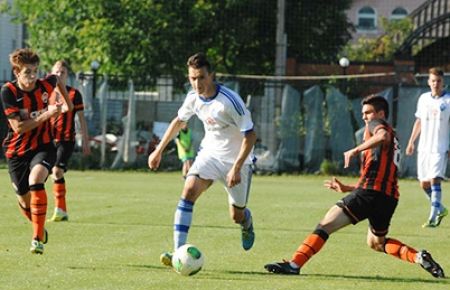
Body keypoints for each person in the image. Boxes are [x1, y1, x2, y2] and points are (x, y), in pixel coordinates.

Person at [264, 95, 445, 278]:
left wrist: (356, 149)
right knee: (376, 242)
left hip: (369, 194)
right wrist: (349, 188)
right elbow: (378, 174)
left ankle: (294, 264)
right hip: (388, 198)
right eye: (363, 114)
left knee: (325, 225)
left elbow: (382, 136)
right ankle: (418, 257)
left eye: (368, 113)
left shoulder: (376, 126)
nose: (365, 117)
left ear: (381, 114)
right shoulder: (394, 135)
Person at [148, 52, 257, 266]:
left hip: (237, 161)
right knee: (188, 191)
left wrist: (235, 168)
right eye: (192, 78)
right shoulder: (192, 98)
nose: (196, 83)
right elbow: (179, 122)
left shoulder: (230, 101)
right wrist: (158, 150)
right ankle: (178, 252)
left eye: (201, 78)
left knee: (236, 215)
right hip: (210, 155)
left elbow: (251, 135)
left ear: (211, 75)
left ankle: (247, 223)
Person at [0, 48, 73, 254]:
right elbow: (18, 127)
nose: (32, 77)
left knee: (36, 180)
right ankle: (39, 227)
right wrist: (47, 114)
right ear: (16, 73)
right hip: (16, 151)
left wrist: (67, 105)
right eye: (27, 73)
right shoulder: (8, 92)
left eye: (34, 71)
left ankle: (36, 239)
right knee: (24, 200)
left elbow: (57, 80)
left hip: (44, 146)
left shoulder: (44, 84)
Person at [406, 67, 449, 228]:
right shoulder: (423, 99)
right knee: (424, 184)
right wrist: (411, 142)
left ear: (443, 82)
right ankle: (441, 209)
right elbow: (419, 122)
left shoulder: (448, 101)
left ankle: (432, 216)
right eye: (433, 81)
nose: (435, 84)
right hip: (424, 147)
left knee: (434, 179)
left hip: (440, 147)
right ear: (428, 82)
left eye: (438, 81)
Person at [48, 60, 91, 222]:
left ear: (67, 75)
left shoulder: (74, 94)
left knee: (57, 171)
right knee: (45, 173)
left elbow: (81, 119)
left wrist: (86, 141)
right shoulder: (47, 94)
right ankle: (61, 210)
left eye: (62, 72)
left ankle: (60, 209)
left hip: (66, 140)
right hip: (48, 140)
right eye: (57, 72)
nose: (59, 75)